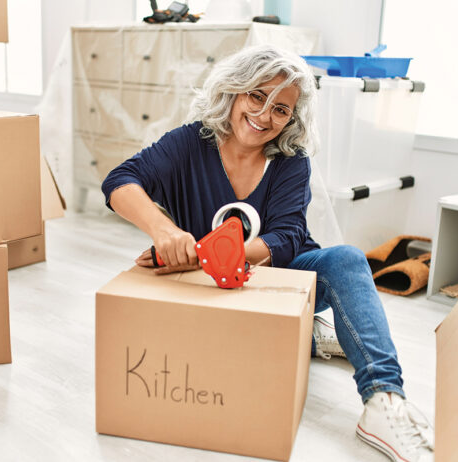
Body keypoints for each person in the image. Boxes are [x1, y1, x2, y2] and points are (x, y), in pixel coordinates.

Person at [101, 44, 434, 462]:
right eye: (257, 96)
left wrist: (209, 253)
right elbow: (119, 181)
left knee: (347, 258)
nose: (264, 116)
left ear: (292, 118)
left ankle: (385, 402)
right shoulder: (189, 143)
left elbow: (289, 236)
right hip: (215, 286)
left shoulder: (291, 159)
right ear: (234, 91)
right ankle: (310, 336)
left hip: (284, 272)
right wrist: (165, 231)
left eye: (281, 109)